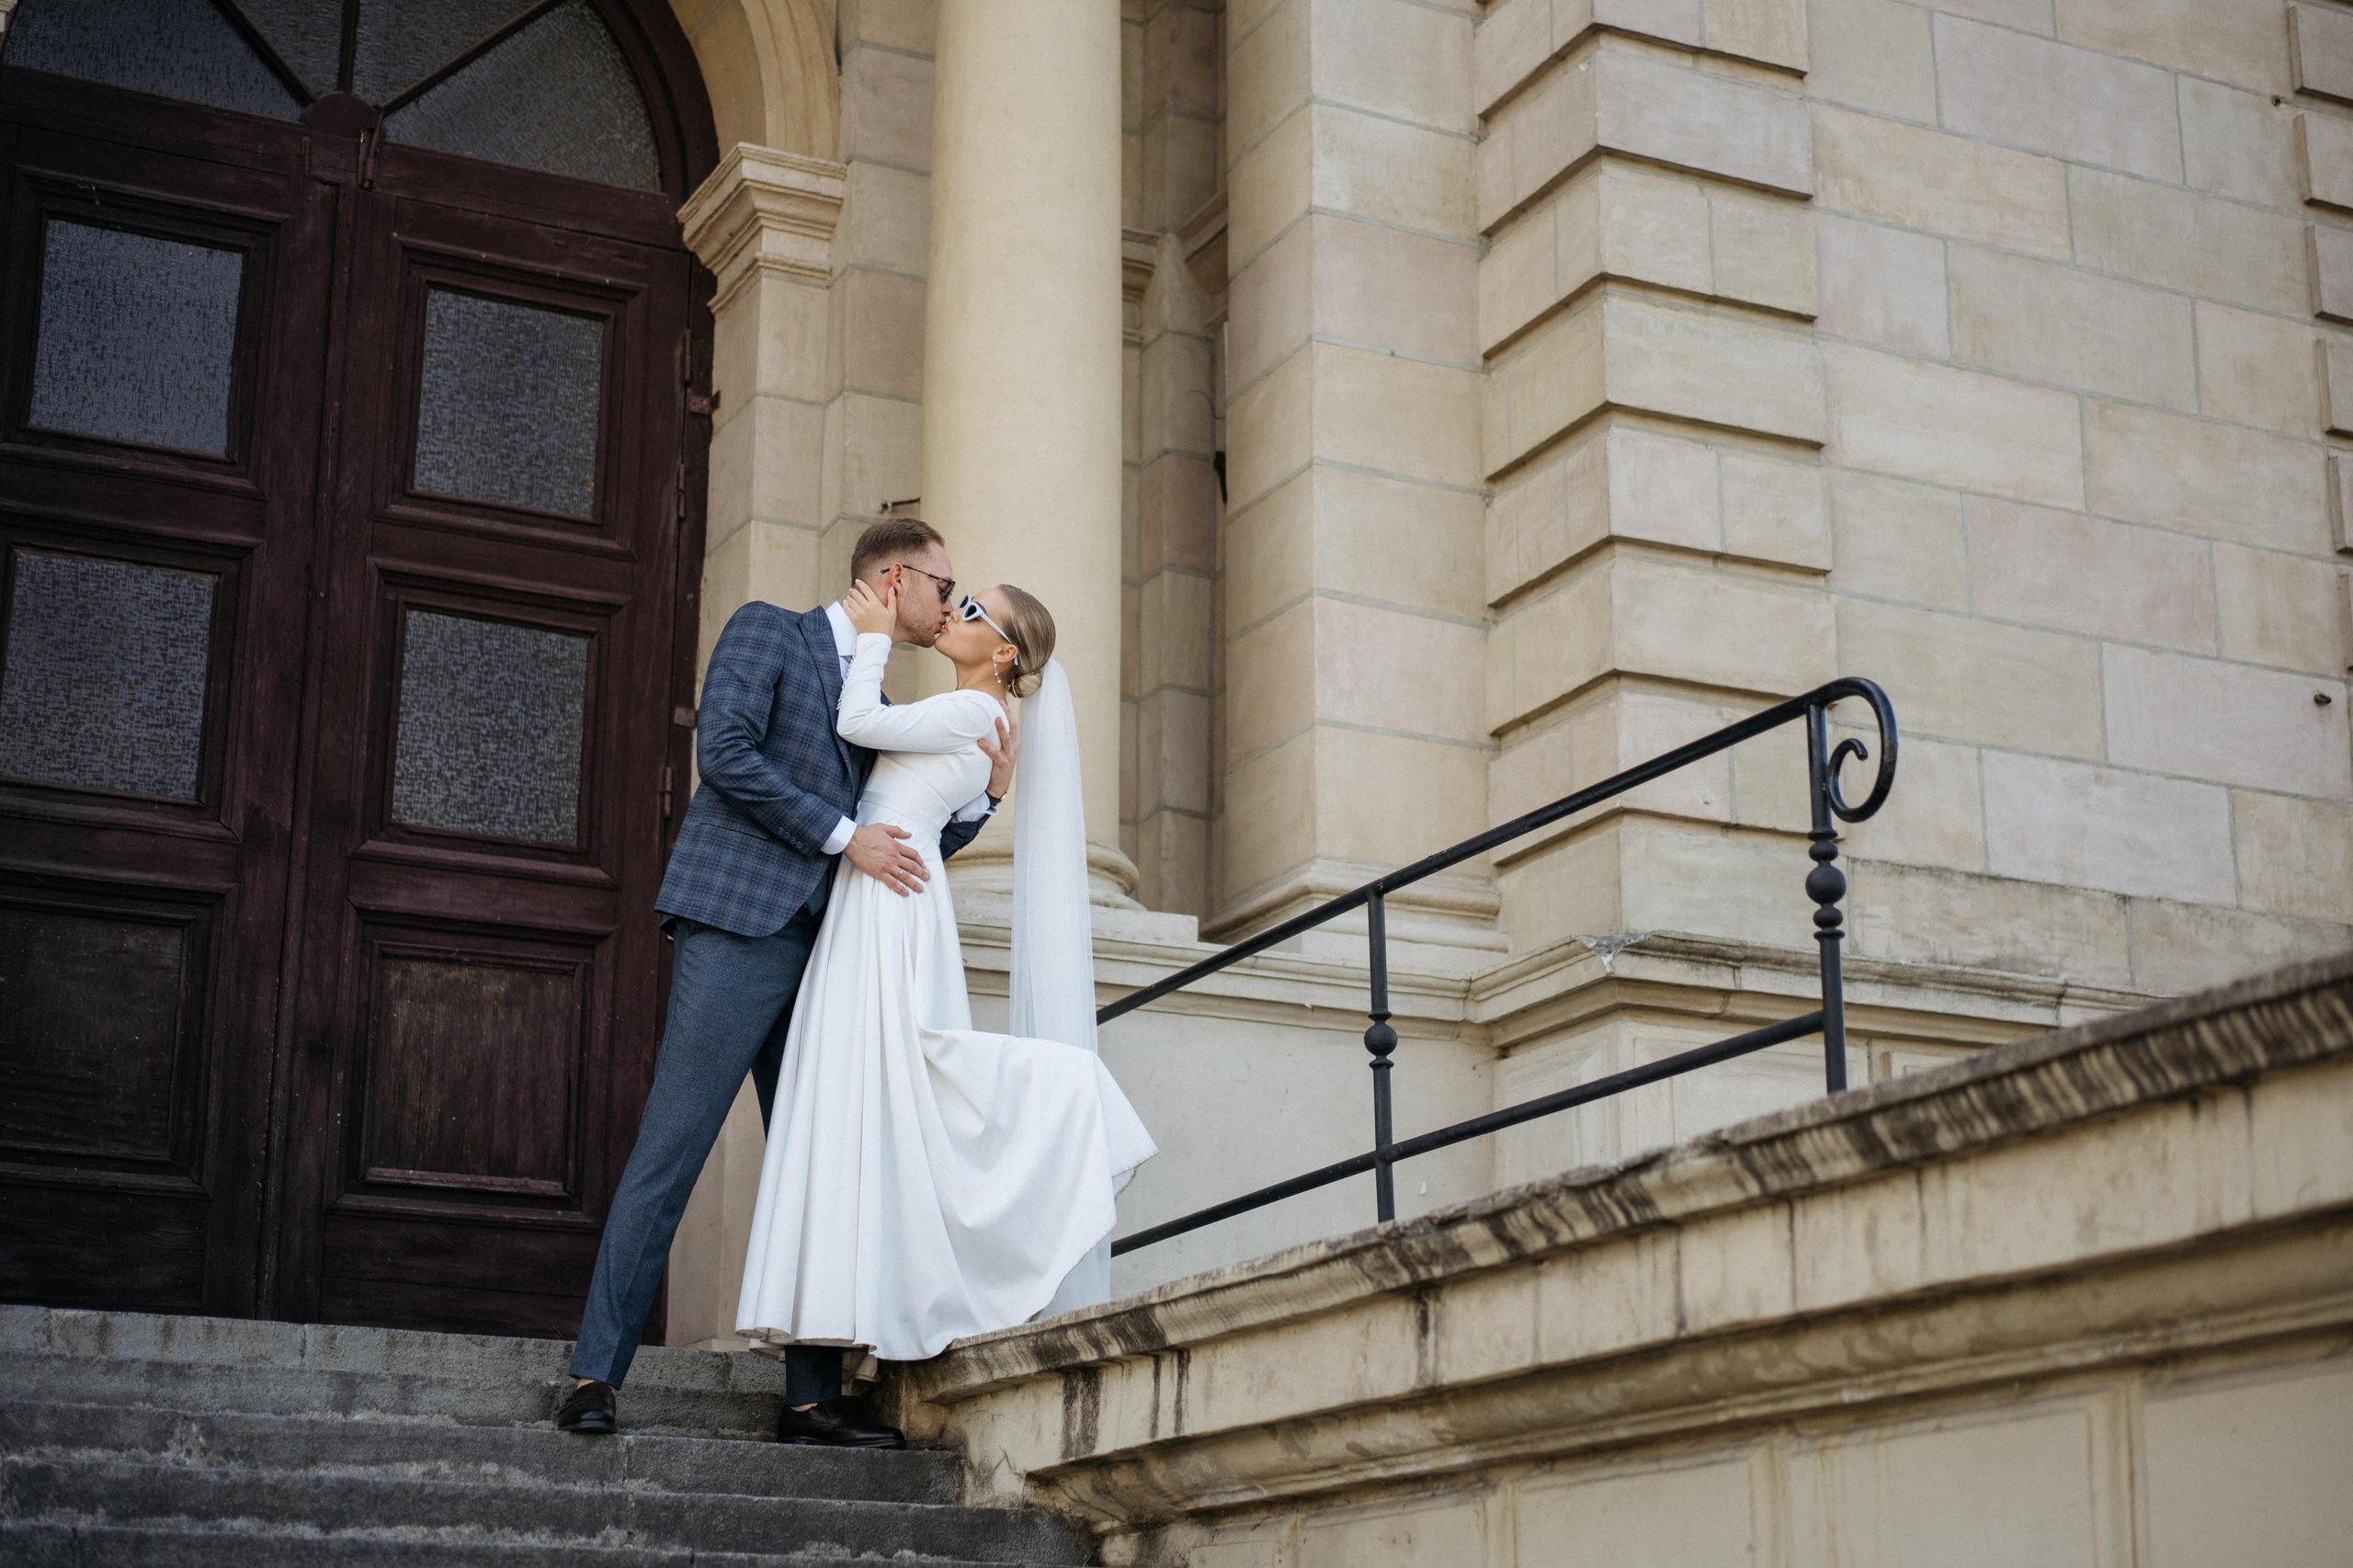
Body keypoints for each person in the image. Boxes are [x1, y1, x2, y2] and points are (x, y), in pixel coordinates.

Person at [555, 518, 1015, 1444]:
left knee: (822, 1157)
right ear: (895, 576)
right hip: (739, 926)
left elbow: (903, 840)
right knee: (672, 1146)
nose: (948, 599)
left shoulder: (874, 693)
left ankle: (811, 1396)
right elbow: (724, 754)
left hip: (836, 955)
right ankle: (595, 1371)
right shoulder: (769, 629)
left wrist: (983, 799)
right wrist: (846, 838)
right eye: (942, 582)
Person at [733, 576, 1154, 1421]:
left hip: (887, 911)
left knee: (887, 1087)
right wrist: (993, 796)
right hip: (891, 896)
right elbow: (941, 811)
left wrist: (877, 631)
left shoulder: (972, 711)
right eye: (959, 602)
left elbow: (859, 724)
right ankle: (849, 1340)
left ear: (1004, 652)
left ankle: (1075, 1111)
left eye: (973, 612)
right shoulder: (982, 721)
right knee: (873, 1102)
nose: (955, 615)